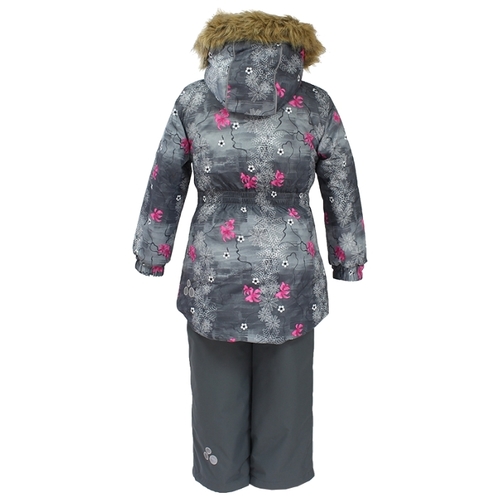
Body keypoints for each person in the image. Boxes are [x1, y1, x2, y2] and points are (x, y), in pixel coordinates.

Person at [132, 10, 367, 492]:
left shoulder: (193, 101)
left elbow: (166, 181)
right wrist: (348, 258)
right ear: (297, 49)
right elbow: (340, 185)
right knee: (288, 393)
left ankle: (220, 472)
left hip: (213, 276)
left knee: (215, 393)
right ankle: (281, 476)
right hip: (291, 276)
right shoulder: (315, 103)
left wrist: (152, 254)